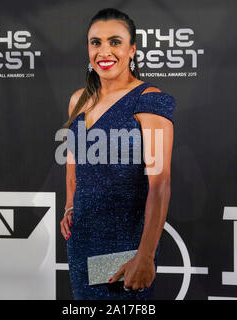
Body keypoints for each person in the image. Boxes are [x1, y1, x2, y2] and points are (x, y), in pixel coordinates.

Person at [60, 8, 176, 299]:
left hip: (126, 243)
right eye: (95, 42)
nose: (104, 51)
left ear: (132, 49)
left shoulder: (149, 100)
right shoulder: (79, 99)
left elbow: (160, 184)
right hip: (82, 240)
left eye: (115, 41)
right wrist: (69, 205)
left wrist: (146, 256)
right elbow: (74, 162)